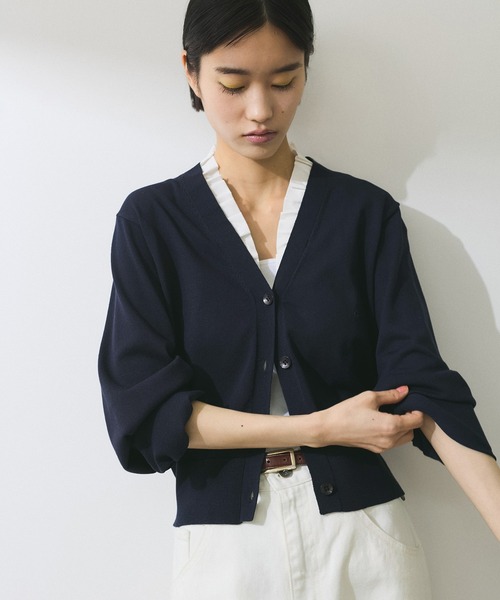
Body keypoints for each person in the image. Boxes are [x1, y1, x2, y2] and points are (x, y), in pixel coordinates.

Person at [98, 1, 500, 598]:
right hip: (227, 551)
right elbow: (146, 413)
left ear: (307, 69)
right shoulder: (152, 223)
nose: (261, 110)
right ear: (191, 72)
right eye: (233, 84)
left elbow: (422, 385)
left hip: (366, 539)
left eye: (284, 80)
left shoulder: (364, 215)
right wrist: (320, 427)